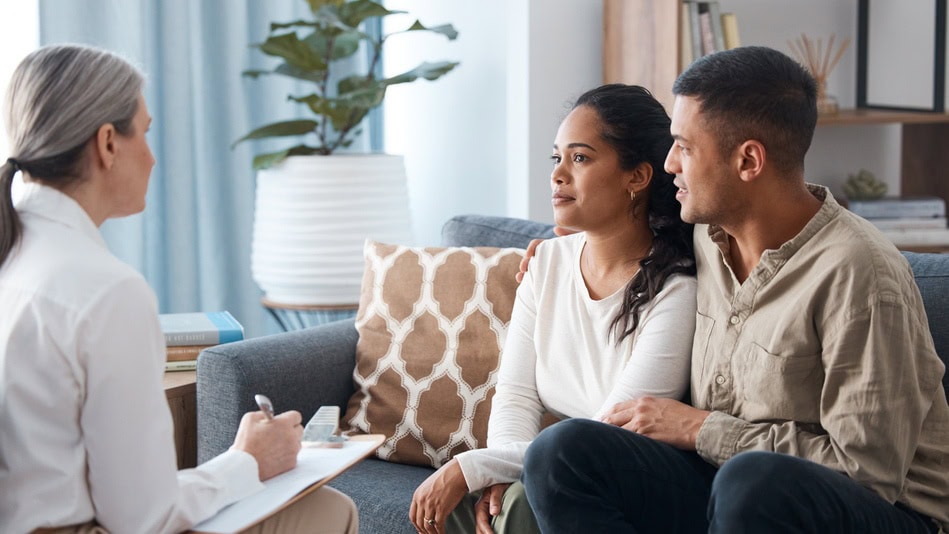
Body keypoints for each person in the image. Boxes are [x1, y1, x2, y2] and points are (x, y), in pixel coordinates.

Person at [521, 46, 949, 533]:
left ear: (748, 160)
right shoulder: (705, 232)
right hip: (724, 486)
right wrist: (555, 251)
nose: (668, 164)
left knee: (751, 483)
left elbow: (867, 474)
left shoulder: (860, 274)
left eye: (684, 146)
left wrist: (702, 429)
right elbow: (626, 222)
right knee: (564, 452)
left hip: (881, 512)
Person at [0, 44, 358, 533]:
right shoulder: (106, 292)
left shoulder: (17, 257)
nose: (151, 158)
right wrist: (247, 461)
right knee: (329, 511)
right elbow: (142, 518)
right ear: (107, 143)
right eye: (144, 133)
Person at [409, 84, 698, 534]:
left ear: (637, 177)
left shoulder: (676, 288)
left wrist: (474, 466)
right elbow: (517, 394)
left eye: (580, 158)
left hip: (617, 478)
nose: (558, 174)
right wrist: (496, 474)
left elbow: (607, 435)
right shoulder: (545, 262)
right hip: (547, 465)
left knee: (523, 502)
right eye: (556, 158)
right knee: (480, 505)